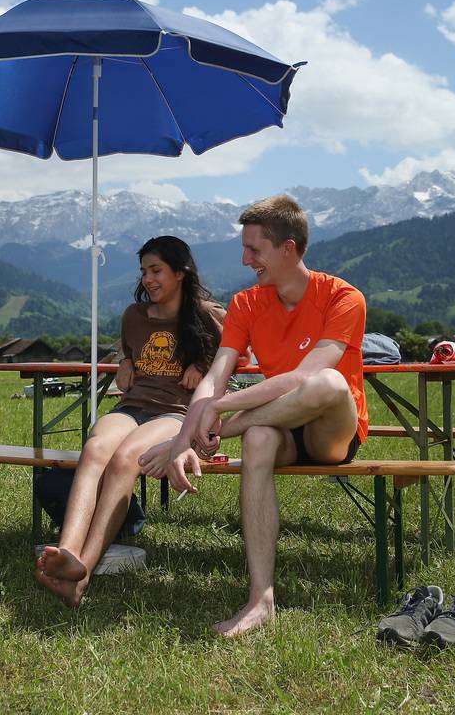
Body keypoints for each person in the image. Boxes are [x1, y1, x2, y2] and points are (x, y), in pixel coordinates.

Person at [140, 194, 368, 637]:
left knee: (328, 382)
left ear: (288, 248)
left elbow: (303, 378)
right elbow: (215, 376)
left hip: (332, 430)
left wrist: (218, 413)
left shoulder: (343, 297)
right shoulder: (246, 304)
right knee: (259, 439)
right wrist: (186, 437)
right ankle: (260, 599)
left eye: (254, 250)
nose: (246, 260)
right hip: (277, 426)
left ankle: (226, 432)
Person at [36, 235, 225, 607]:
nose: (148, 279)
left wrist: (202, 365)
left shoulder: (207, 314)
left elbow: (238, 351)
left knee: (126, 459)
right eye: (144, 272)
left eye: (156, 271)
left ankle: (82, 575)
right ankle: (68, 551)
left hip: (176, 414)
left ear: (181, 272)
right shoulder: (134, 316)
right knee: (95, 449)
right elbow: (128, 348)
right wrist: (124, 360)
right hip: (133, 406)